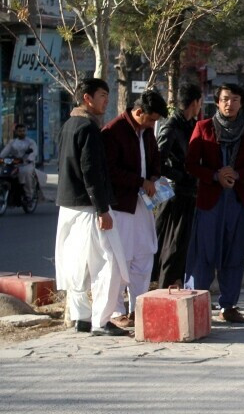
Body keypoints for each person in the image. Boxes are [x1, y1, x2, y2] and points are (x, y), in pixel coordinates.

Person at [184, 83, 244, 323]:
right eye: (226, 99)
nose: (230, 104)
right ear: (217, 102)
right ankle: (197, 303)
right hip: (210, 199)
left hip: (239, 200)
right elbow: (191, 163)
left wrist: (237, 174)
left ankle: (228, 305)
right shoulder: (203, 127)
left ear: (242, 103)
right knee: (204, 252)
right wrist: (215, 175)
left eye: (235, 99)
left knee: (235, 253)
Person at [54, 78, 128, 336]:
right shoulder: (88, 128)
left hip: (68, 205)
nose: (106, 100)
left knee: (75, 265)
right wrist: (102, 209)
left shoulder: (68, 125)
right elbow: (91, 172)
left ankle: (82, 318)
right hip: (88, 208)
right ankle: (101, 320)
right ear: (87, 98)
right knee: (108, 264)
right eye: (102, 95)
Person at [102, 89, 168, 328]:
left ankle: (138, 306)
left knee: (144, 254)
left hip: (142, 203)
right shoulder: (113, 131)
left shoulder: (147, 132)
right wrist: (140, 182)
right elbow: (110, 171)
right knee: (121, 258)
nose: (152, 125)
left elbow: (156, 158)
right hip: (120, 205)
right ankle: (116, 310)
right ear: (139, 111)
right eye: (150, 119)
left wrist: (153, 178)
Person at [153, 84, 203, 288]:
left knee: (183, 244)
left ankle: (176, 284)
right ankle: (165, 288)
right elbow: (158, 162)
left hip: (188, 192)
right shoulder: (171, 126)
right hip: (173, 194)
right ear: (195, 103)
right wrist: (181, 176)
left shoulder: (190, 125)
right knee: (171, 244)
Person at [0, 123, 37, 205]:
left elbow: (34, 152)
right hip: (14, 164)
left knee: (26, 173)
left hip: (26, 164)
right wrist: (1, 158)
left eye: (23, 131)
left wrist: (28, 159)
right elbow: (5, 152)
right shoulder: (12, 142)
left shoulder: (31, 142)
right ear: (16, 132)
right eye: (19, 131)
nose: (22, 132)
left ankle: (29, 196)